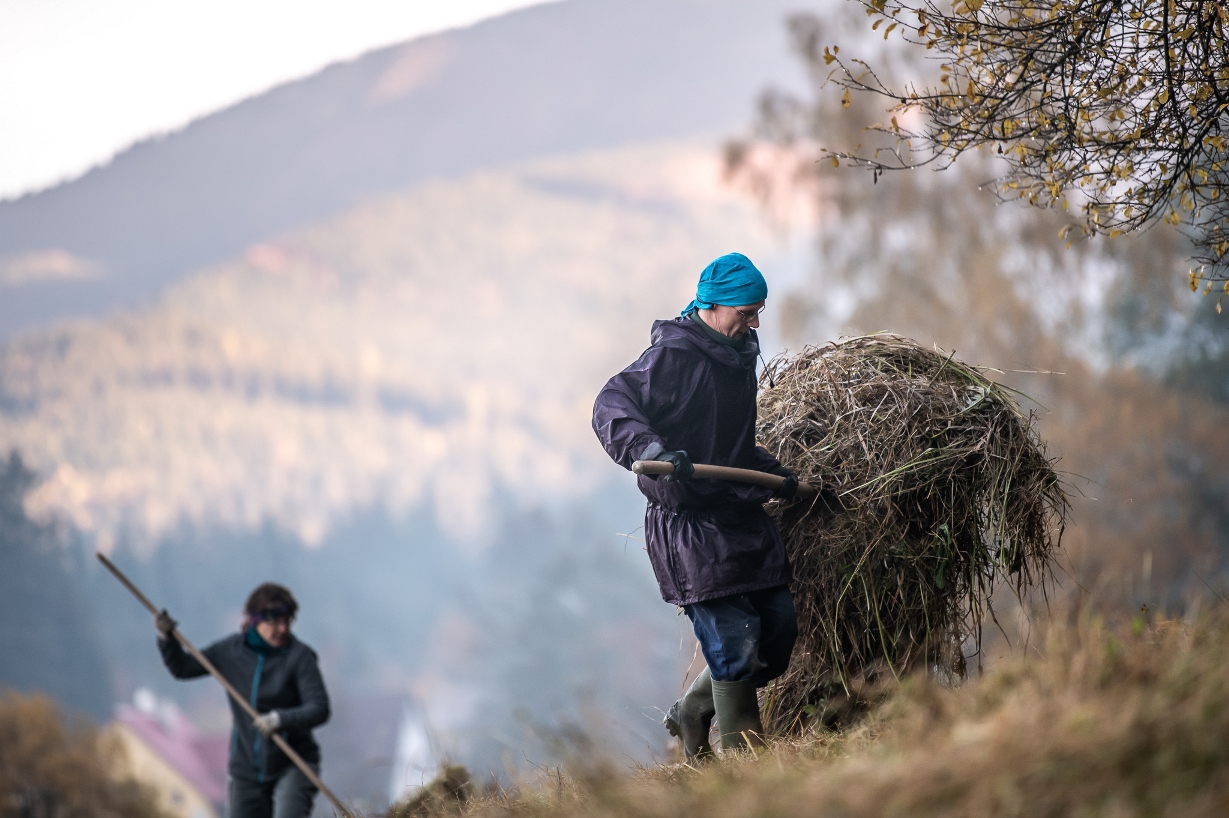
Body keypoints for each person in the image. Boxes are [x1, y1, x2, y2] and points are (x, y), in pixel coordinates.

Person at [591, 252, 799, 757]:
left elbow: (730, 443)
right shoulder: (674, 355)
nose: (755, 324)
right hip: (689, 527)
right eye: (746, 313)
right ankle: (747, 765)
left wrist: (776, 475)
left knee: (777, 632)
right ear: (713, 305)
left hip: (738, 514)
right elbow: (610, 403)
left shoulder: (738, 355)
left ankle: (691, 709)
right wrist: (652, 452)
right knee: (733, 644)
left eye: (758, 313)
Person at [154, 583, 330, 818]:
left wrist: (280, 719)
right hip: (246, 769)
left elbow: (319, 708)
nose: (283, 628)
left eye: (288, 621)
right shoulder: (230, 651)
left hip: (294, 762)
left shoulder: (300, 657)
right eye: (275, 622)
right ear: (255, 621)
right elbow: (183, 668)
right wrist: (167, 639)